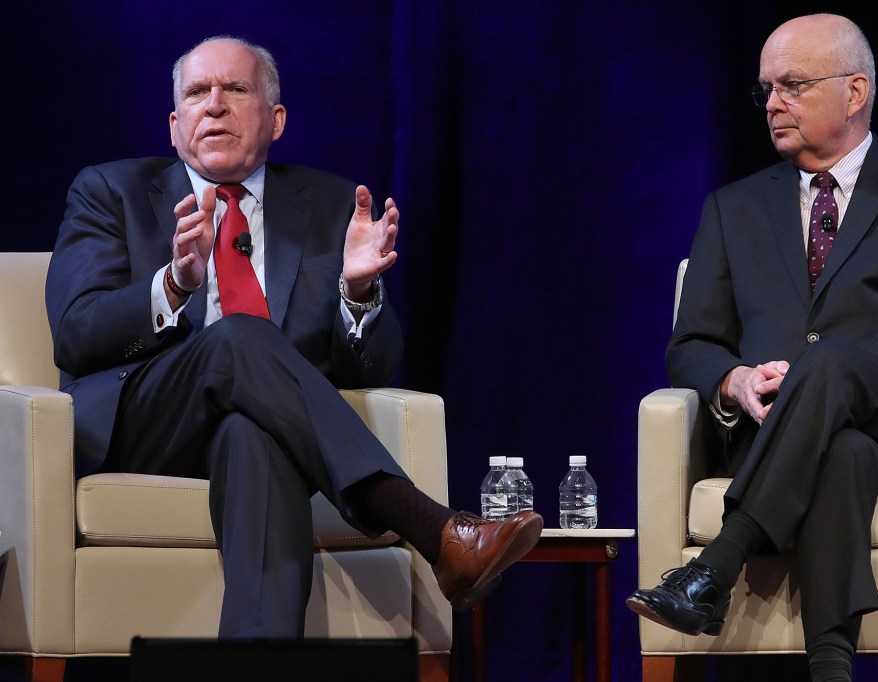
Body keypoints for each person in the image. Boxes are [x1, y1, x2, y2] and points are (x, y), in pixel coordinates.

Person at [45, 35, 542, 638]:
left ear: (275, 118)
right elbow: (75, 334)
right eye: (198, 93)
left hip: (271, 424)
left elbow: (372, 371)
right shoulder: (108, 191)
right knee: (237, 338)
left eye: (236, 89)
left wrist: (357, 295)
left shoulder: (331, 205)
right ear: (175, 126)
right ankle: (430, 527)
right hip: (145, 419)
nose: (215, 105)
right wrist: (173, 286)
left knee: (252, 434)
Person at [626, 13, 878, 682]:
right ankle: (831, 666)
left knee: (830, 362)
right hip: (794, 436)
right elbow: (690, 346)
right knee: (843, 451)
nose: (772, 103)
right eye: (765, 90)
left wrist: (830, 365)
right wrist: (736, 381)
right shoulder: (731, 209)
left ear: (855, 92)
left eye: (793, 85)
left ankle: (718, 564)